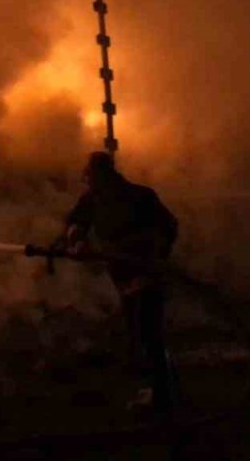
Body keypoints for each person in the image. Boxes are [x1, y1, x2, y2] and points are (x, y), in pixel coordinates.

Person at [59, 151, 179, 413]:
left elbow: (168, 227)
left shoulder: (140, 197)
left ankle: (162, 394)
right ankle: (162, 387)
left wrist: (153, 253)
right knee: (140, 333)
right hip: (123, 276)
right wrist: (76, 240)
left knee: (149, 333)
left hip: (147, 273)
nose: (88, 181)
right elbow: (76, 221)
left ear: (103, 175)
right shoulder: (94, 199)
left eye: (90, 176)